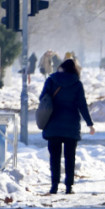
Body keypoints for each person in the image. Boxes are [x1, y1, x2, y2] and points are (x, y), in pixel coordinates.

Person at [40, 59, 95, 194]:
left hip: (53, 124)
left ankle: (54, 186)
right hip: (71, 125)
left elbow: (42, 98)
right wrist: (89, 123)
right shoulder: (77, 84)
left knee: (54, 158)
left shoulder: (51, 80)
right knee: (70, 157)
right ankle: (69, 187)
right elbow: (82, 105)